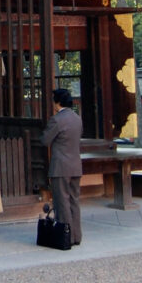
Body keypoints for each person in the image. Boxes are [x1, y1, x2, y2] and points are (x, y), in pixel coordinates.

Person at [40, 88, 83, 246]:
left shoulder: (57, 120)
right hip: (75, 165)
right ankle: (77, 235)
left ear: (57, 102)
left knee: (61, 201)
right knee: (74, 200)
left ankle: (66, 236)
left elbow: (45, 140)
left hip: (61, 166)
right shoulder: (77, 118)